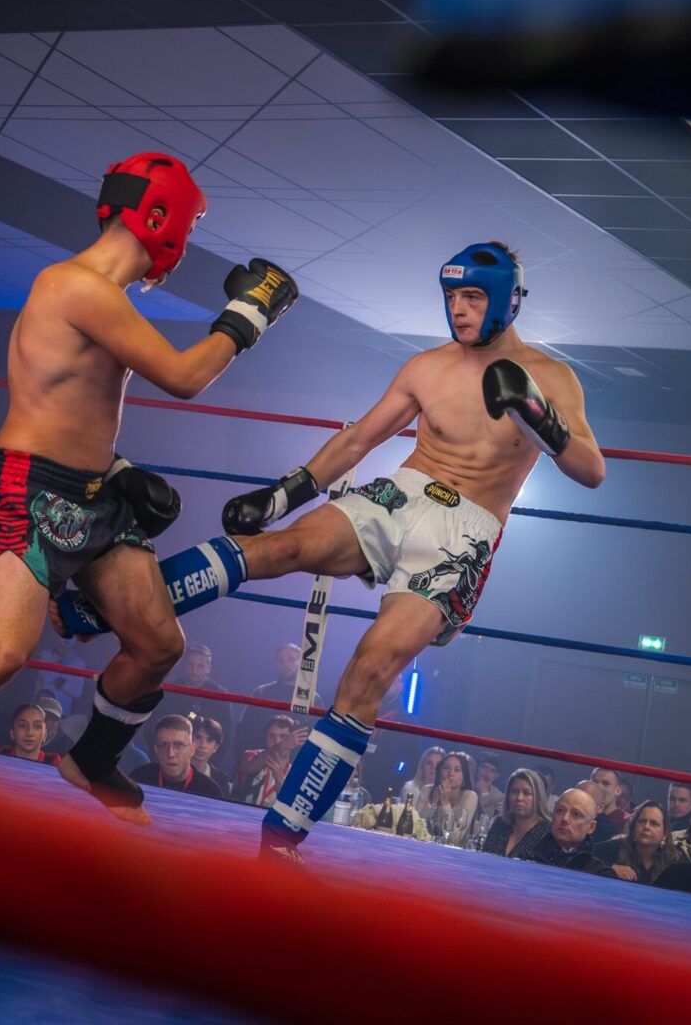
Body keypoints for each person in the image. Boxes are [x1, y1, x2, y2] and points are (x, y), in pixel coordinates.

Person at [46, 242, 603, 860]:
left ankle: (280, 840)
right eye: (451, 297)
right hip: (401, 492)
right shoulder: (428, 367)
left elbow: (591, 469)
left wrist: (538, 417)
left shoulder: (552, 378)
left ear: (506, 301)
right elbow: (361, 437)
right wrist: (285, 494)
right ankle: (101, 611)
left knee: (369, 670)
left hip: (464, 532)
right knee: (270, 547)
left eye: (472, 298)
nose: (459, 311)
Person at [0, 151, 300, 829]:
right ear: (159, 220)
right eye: (184, 229)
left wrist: (120, 470)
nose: (182, 249)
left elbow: (70, 404)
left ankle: (92, 759)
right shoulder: (77, 287)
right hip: (28, 490)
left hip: (94, 490)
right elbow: (185, 376)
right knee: (1, 654)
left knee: (159, 644)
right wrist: (254, 309)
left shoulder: (102, 297)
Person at [128, 715, 224, 799]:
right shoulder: (139, 778)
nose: (171, 753)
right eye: (164, 745)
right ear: (156, 750)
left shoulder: (210, 791)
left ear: (191, 750)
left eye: (178, 745)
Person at [234, 644, 301, 758]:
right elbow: (244, 732)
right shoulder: (261, 693)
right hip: (261, 764)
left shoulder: (312, 698)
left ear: (301, 662)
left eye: (291, 659)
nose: (285, 664)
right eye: (281, 660)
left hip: (296, 767)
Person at [530, 788, 616, 876]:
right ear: (552, 814)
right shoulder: (527, 860)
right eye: (560, 810)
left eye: (576, 814)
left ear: (591, 827)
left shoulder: (602, 875)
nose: (564, 819)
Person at [476, 768, 552, 862]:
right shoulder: (500, 823)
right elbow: (484, 860)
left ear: (538, 797)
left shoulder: (547, 832)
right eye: (514, 792)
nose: (519, 798)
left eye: (527, 793)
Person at [596, 799, 670, 885]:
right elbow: (582, 856)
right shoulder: (617, 846)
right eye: (642, 821)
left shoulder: (673, 860)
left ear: (665, 833)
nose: (646, 827)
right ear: (633, 825)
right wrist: (610, 867)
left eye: (654, 823)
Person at [237, 715, 302, 807]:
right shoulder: (252, 755)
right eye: (271, 735)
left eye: (283, 736)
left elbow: (288, 806)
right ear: (265, 737)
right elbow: (248, 767)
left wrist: (279, 776)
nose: (276, 741)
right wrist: (283, 744)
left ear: (292, 742)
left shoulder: (296, 774)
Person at [423, 751, 480, 847]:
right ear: (439, 771)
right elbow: (417, 825)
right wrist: (433, 803)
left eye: (457, 770)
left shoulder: (470, 796)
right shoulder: (427, 790)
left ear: (464, 776)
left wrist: (445, 803)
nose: (451, 773)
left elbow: (455, 839)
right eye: (446, 768)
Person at [186, 712, 232, 800]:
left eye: (209, 740)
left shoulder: (222, 781)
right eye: (198, 737)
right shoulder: (174, 770)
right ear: (189, 739)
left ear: (216, 747)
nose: (203, 745)